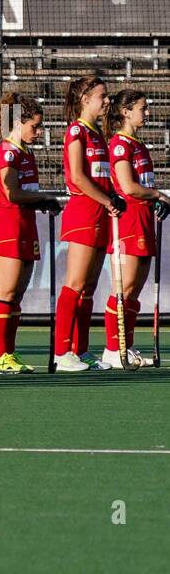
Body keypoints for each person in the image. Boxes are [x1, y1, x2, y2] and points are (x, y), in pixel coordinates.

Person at [0, 93, 60, 374]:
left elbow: (25, 195)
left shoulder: (25, 152)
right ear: (18, 122)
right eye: (35, 127)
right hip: (8, 224)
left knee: (17, 295)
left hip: (25, 223)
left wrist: (40, 201)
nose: (39, 133)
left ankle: (9, 353)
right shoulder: (8, 151)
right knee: (5, 293)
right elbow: (12, 193)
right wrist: (45, 197)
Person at [54, 75, 123, 372]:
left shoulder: (97, 133)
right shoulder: (77, 131)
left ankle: (80, 351)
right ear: (85, 99)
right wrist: (108, 200)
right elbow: (79, 178)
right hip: (85, 211)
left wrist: (112, 198)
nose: (107, 101)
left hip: (101, 212)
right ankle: (61, 352)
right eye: (102, 96)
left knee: (89, 288)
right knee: (75, 283)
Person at [103, 89, 170, 368]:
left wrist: (155, 200)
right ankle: (112, 349)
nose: (147, 113)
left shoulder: (139, 145)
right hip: (129, 220)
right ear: (126, 111)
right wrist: (158, 195)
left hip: (144, 219)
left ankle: (125, 347)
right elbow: (128, 187)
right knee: (124, 287)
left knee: (135, 290)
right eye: (142, 108)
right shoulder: (121, 145)